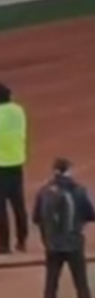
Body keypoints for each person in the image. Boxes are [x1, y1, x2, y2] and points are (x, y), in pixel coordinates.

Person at [33, 158, 95, 298]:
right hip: (74, 243)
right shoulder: (79, 191)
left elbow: (36, 218)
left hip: (52, 245)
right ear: (69, 171)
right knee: (81, 284)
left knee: (51, 285)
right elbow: (91, 215)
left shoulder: (43, 192)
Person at [0, 83, 28, 254]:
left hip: (1, 165)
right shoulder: (18, 111)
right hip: (17, 162)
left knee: (1, 208)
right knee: (18, 204)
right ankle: (22, 240)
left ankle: (3, 244)